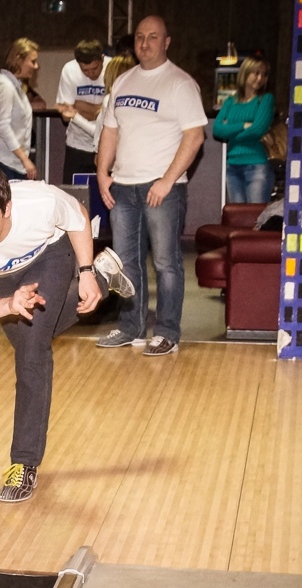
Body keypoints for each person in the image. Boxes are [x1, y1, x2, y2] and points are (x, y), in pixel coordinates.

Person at [0, 162, 135, 502]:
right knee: (31, 340)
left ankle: (23, 464)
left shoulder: (39, 202)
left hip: (49, 258)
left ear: (6, 208)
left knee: (31, 355)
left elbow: (79, 215)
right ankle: (105, 275)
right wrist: (9, 305)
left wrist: (84, 270)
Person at [95, 16, 206, 357]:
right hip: (124, 188)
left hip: (163, 190)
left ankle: (168, 331)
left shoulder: (180, 83)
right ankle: (131, 327)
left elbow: (195, 136)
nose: (145, 43)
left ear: (167, 42)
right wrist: (102, 172)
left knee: (166, 263)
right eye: (140, 37)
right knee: (127, 264)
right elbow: (110, 131)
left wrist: (167, 180)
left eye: (153, 37)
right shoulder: (124, 81)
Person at [212, 57, 274, 204]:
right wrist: (243, 125)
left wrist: (231, 132)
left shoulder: (265, 99)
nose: (260, 78)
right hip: (232, 165)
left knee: (256, 219)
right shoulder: (231, 101)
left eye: (264, 74)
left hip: (256, 165)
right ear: (245, 73)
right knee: (237, 219)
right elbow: (217, 129)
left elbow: (258, 130)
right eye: (256, 73)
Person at [0, 38, 39, 181]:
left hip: (11, 164)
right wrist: (25, 158)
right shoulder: (4, 85)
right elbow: (2, 125)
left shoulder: (16, 87)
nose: (36, 66)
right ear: (18, 60)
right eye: (33, 61)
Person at [55, 39, 109, 183]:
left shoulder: (112, 67)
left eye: (95, 68)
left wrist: (79, 106)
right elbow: (66, 116)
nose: (91, 74)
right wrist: (100, 109)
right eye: (85, 70)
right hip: (77, 145)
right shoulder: (69, 70)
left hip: (106, 146)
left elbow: (112, 113)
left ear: (102, 58)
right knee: (73, 197)